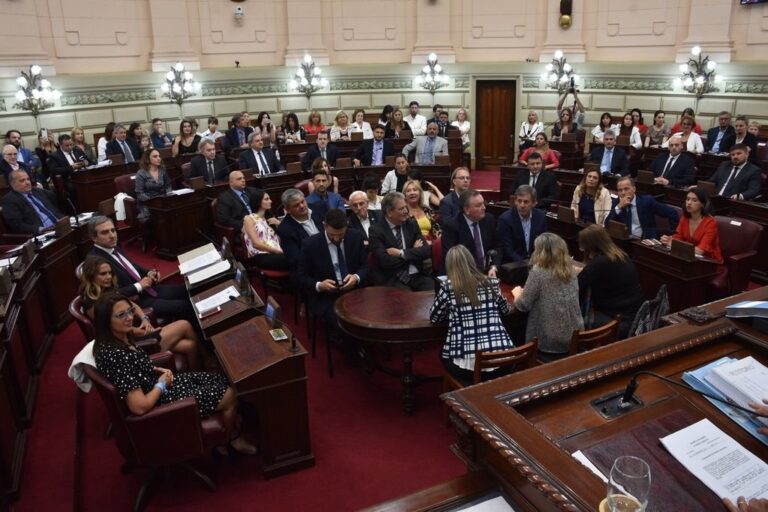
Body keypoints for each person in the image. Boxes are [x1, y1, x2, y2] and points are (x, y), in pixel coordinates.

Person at [92, 292, 256, 455]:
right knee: (228, 394)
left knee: (220, 377)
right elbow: (139, 407)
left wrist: (155, 369)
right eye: (121, 315)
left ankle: (229, 425)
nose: (129, 318)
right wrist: (162, 383)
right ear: (106, 321)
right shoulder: (117, 357)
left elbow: (135, 369)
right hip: (160, 404)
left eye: (129, 311)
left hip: (157, 386)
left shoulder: (118, 338)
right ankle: (228, 439)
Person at [79, 255, 205, 370]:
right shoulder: (92, 304)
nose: (108, 277)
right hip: (129, 346)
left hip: (137, 334)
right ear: (91, 275)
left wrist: (144, 318)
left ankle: (198, 373)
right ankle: (207, 359)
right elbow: (115, 331)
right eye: (103, 274)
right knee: (184, 324)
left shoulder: (107, 290)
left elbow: (132, 305)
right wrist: (145, 331)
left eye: (110, 273)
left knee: (190, 345)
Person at [430, 245, 515, 386]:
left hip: (468, 368)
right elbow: (506, 310)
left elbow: (434, 318)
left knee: (442, 354)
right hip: (503, 362)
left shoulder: (448, 288)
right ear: (472, 261)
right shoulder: (492, 283)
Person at [88, 216, 197, 325]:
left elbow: (132, 267)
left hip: (148, 290)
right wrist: (139, 286)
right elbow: (109, 295)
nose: (112, 235)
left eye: (113, 230)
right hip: (136, 302)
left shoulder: (114, 248)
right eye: (105, 232)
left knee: (188, 290)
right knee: (183, 306)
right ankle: (196, 336)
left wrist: (148, 272)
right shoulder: (95, 261)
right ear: (94, 238)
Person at [511, 233, 583, 361]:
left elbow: (523, 305)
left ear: (541, 251)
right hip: (575, 335)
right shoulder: (571, 269)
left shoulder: (539, 272)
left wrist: (517, 293)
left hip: (549, 341)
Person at [297, 208, 369, 334]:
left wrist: (356, 277)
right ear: (324, 226)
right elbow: (301, 277)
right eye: (332, 235)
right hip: (326, 296)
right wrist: (320, 285)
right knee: (344, 324)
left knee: (371, 316)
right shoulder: (310, 244)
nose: (336, 239)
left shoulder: (355, 236)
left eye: (341, 235)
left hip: (355, 290)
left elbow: (365, 266)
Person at [577, 225, 644, 339]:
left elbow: (578, 288)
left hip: (616, 317)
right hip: (634, 313)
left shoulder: (600, 263)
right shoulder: (621, 255)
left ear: (590, 246)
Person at [368, 191, 433, 291]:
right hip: (393, 278)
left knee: (436, 291)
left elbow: (427, 251)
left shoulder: (411, 224)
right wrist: (413, 252)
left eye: (405, 207)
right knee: (407, 301)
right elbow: (385, 262)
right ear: (389, 212)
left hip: (416, 274)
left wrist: (401, 253)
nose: (406, 211)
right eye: (401, 209)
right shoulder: (375, 231)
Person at [440, 189, 499, 276]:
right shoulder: (451, 227)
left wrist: (494, 267)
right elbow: (453, 260)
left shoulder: (489, 220)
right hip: (462, 275)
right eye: (478, 205)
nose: (484, 207)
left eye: (483, 203)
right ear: (466, 209)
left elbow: (497, 246)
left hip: (487, 273)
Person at [661, 187, 723, 263]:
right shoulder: (684, 218)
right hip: (688, 258)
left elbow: (700, 251)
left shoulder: (711, 222)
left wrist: (673, 244)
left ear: (703, 204)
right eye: (687, 199)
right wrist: (668, 240)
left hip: (709, 262)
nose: (689, 203)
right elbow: (678, 238)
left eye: (694, 200)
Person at [606, 176, 679, 239]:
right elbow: (607, 224)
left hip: (643, 240)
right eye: (620, 190)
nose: (623, 193)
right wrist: (619, 207)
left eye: (626, 189)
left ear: (634, 189)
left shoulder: (646, 201)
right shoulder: (616, 202)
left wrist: (670, 235)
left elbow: (672, 213)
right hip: (623, 241)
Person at [0, 169, 64, 234]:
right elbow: (17, 225)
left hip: (60, 224)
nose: (27, 182)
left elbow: (55, 205)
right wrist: (42, 230)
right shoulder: (9, 200)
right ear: (12, 184)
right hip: (43, 233)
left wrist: (63, 219)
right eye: (22, 181)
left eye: (28, 179)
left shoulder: (37, 191)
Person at [277, 188, 323, 276]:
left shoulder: (319, 208)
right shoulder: (285, 230)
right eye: (296, 205)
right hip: (311, 268)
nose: (302, 206)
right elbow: (296, 259)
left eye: (303, 201)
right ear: (288, 210)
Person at [497, 185, 546, 263]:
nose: (522, 205)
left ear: (534, 203)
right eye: (519, 201)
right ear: (515, 201)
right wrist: (526, 264)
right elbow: (508, 250)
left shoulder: (540, 217)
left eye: (526, 202)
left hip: (536, 262)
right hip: (514, 264)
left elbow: (543, 244)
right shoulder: (505, 219)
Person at [242, 189, 288, 270]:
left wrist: (279, 224)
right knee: (294, 259)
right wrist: (277, 251)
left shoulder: (269, 218)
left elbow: (280, 237)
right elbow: (256, 244)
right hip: (261, 255)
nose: (270, 201)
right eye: (266, 199)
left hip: (276, 251)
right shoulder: (249, 218)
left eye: (269, 198)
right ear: (258, 201)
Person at [47, 133, 92, 208]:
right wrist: (71, 168)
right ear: (60, 145)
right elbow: (54, 171)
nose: (70, 147)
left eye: (71, 144)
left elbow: (90, 161)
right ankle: (80, 209)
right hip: (68, 180)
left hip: (83, 176)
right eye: (67, 146)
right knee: (74, 188)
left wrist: (85, 163)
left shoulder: (77, 150)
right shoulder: (55, 156)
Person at [215, 170, 261, 234]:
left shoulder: (252, 191)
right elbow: (224, 219)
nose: (243, 180)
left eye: (243, 178)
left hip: (259, 223)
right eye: (239, 179)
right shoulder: (224, 198)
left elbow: (262, 205)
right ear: (231, 182)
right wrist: (245, 224)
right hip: (242, 229)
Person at [134, 148, 172, 221]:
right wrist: (153, 201)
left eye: (159, 156)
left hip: (162, 200)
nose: (158, 158)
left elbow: (168, 186)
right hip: (147, 203)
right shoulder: (141, 173)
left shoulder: (162, 170)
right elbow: (139, 193)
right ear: (147, 159)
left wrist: (169, 196)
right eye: (155, 156)